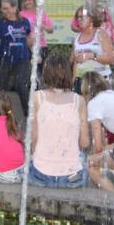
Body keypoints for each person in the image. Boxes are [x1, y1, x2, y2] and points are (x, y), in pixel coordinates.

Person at [28, 53, 89, 188]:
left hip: (41, 175)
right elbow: (84, 142)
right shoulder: (79, 100)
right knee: (84, 160)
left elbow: (33, 137)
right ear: (68, 73)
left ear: (45, 74)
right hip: (72, 179)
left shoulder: (37, 98)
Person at [0, 0, 34, 116]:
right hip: (4, 60)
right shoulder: (0, 22)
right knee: (1, 89)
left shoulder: (24, 22)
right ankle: (1, 113)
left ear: (14, 8)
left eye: (6, 8)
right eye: (2, 8)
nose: (3, 10)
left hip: (22, 59)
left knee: (22, 87)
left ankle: (28, 113)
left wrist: (32, 49)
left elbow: (30, 37)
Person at [71, 6, 114, 94]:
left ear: (92, 18)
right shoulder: (77, 37)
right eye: (78, 17)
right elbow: (75, 62)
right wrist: (73, 82)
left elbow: (111, 59)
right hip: (81, 81)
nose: (80, 19)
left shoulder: (100, 34)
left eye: (83, 16)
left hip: (101, 81)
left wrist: (92, 56)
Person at [19, 0, 53, 77]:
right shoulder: (21, 14)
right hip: (26, 46)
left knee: (40, 71)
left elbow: (51, 30)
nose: (27, 2)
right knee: (28, 72)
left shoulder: (41, 13)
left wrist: (42, 25)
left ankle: (40, 89)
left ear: (34, 1)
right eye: (25, 0)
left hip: (41, 45)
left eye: (29, 0)